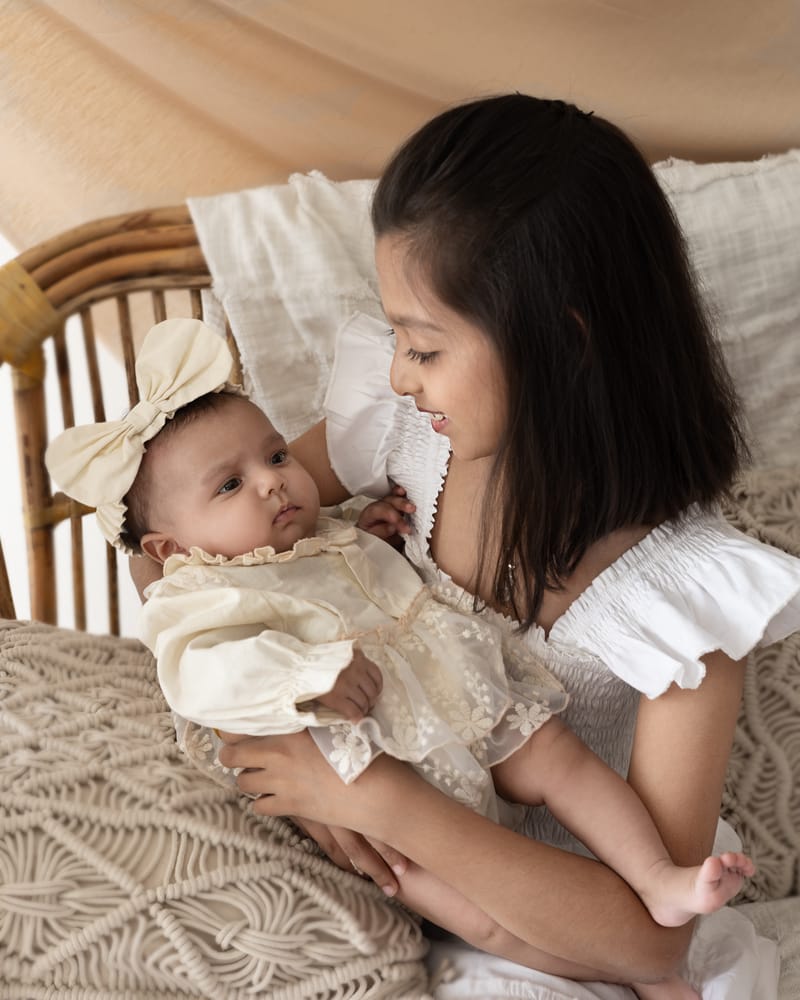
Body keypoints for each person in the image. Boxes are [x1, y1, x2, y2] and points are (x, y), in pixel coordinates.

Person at [202, 94, 800, 998]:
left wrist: (372, 799)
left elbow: (651, 948)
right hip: (397, 894)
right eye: (396, 336)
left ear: (561, 343)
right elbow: (191, 549)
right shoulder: (408, 437)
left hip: (578, 937)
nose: (398, 374)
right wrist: (238, 698)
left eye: (425, 347)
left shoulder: (685, 603)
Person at [45, 318, 754, 1000]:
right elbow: (203, 668)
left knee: (558, 756)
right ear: (174, 549)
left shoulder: (311, 527)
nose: (271, 481)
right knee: (479, 921)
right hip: (372, 759)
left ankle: (655, 878)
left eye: (277, 455)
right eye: (230, 485)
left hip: (462, 699)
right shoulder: (202, 594)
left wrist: (363, 530)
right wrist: (306, 679)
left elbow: (338, 568)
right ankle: (626, 971)